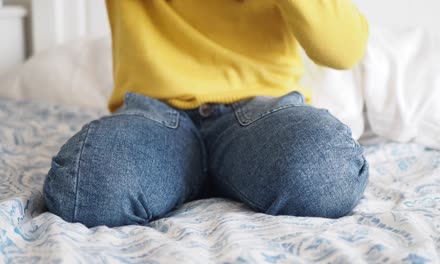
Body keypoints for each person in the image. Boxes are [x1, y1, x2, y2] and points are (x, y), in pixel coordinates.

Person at [43, 0, 370, 228]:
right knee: (89, 189)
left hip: (261, 110)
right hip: (155, 111)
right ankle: (195, 172)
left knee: (328, 172)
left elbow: (343, 50)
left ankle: (220, 171)